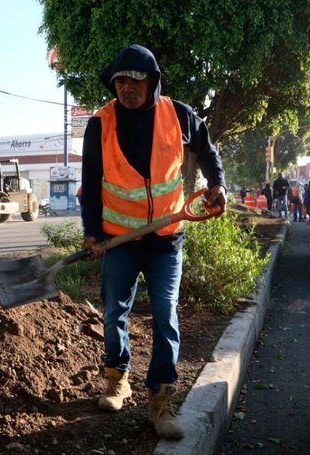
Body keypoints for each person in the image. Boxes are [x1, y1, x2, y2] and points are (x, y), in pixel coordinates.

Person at [79, 44, 226, 440]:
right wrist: (92, 232)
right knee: (114, 314)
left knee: (165, 315)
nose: (127, 88)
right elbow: (91, 185)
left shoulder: (177, 115)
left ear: (153, 82)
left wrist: (218, 184)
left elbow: (208, 152)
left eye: (136, 80)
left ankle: (160, 401)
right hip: (119, 240)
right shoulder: (100, 124)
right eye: (120, 81)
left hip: (166, 239)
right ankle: (117, 380)